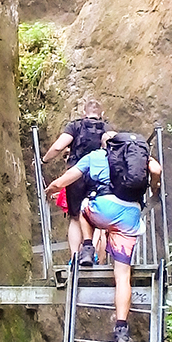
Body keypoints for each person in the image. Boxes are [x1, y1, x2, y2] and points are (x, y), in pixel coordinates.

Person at [45, 131, 161, 342]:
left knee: (82, 208)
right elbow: (156, 170)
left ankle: (87, 247)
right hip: (130, 218)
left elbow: (68, 178)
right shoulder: (138, 158)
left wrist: (52, 187)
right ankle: (121, 329)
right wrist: (154, 188)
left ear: (105, 144)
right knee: (123, 275)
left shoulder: (97, 156)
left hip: (103, 210)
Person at [42, 98, 108, 257]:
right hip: (99, 177)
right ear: (102, 114)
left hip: (75, 176)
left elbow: (58, 146)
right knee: (98, 221)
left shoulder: (75, 126)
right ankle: (97, 259)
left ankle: (75, 258)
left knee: (75, 217)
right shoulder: (107, 128)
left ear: (84, 112)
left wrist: (43, 160)